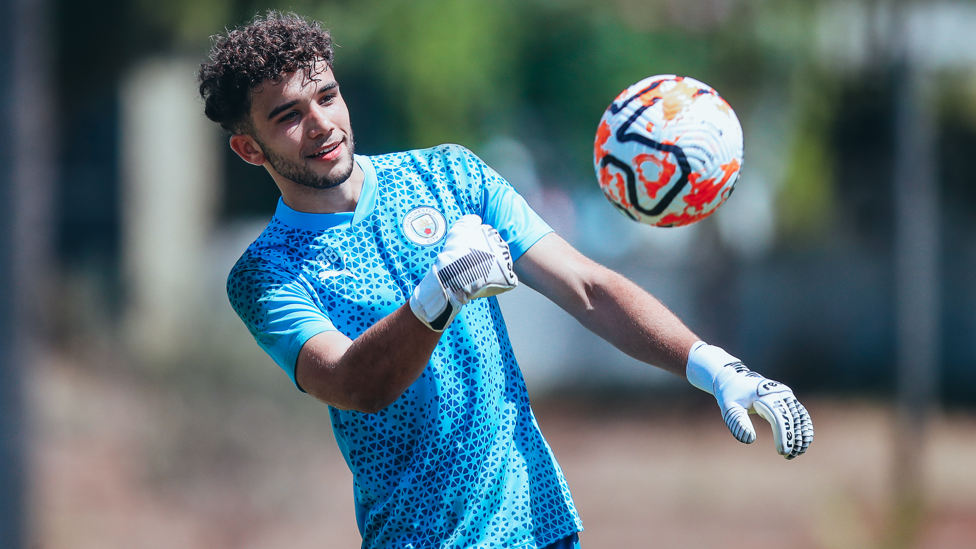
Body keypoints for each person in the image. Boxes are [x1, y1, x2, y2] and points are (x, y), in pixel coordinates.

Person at [198, 11, 813, 549]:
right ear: (251, 150)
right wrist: (438, 295)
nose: (321, 124)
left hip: (539, 522)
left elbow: (588, 286)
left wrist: (710, 365)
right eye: (288, 116)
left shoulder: (450, 175)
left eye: (327, 96)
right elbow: (355, 383)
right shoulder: (266, 272)